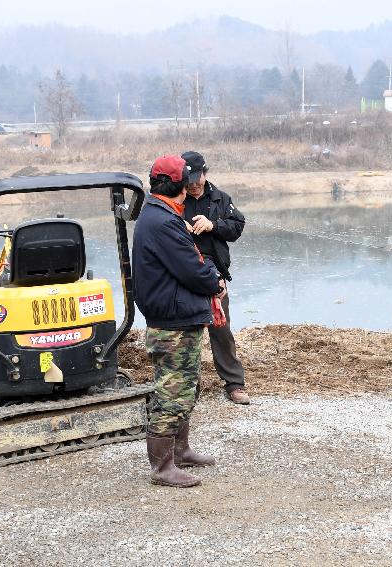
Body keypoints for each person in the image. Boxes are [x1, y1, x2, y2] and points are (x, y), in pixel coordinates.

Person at [133, 155, 223, 488]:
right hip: (172, 324)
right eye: (187, 181)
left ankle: (181, 450)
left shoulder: (159, 216)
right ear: (179, 186)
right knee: (172, 392)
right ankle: (162, 467)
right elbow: (192, 270)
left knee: (186, 387)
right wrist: (215, 280)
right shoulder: (162, 222)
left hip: (177, 318)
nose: (191, 185)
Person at [181, 151, 249, 405]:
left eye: (197, 178)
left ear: (205, 174)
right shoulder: (175, 198)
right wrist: (183, 228)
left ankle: (234, 383)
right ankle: (189, 386)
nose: (193, 184)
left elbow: (237, 227)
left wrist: (213, 225)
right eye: (188, 179)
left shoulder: (220, 198)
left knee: (221, 330)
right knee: (188, 332)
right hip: (185, 273)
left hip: (215, 273)